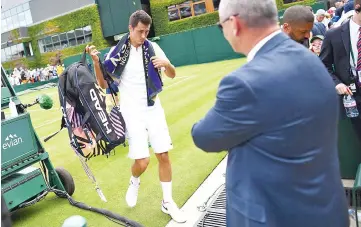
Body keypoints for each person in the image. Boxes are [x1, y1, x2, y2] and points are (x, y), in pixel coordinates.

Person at [191, 0, 349, 226]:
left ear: (234, 24)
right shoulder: (311, 61)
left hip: (274, 217)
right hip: (326, 211)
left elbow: (204, 136)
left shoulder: (243, 83)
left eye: (221, 26)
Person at [85, 10, 186, 223]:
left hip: (154, 108)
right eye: (140, 31)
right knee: (142, 162)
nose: (144, 36)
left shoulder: (153, 48)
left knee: (164, 155)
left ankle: (167, 202)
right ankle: (134, 180)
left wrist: (166, 65)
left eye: (147, 31)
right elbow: (103, 85)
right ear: (130, 29)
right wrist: (96, 62)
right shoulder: (116, 52)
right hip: (131, 112)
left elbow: (172, 73)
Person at [320, 0, 361, 141]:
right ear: (357, 8)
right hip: (354, 96)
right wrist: (337, 83)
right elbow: (323, 65)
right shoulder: (334, 34)